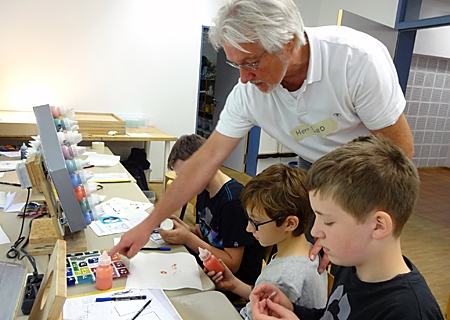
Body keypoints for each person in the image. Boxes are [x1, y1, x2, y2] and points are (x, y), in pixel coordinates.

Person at [110, 0, 414, 262]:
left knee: (356, 256)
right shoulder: (249, 92)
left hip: (364, 173)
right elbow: (204, 161)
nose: (243, 78)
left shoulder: (355, 59)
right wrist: (150, 222)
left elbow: (399, 157)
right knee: (312, 252)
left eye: (251, 63)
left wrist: (360, 220)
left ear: (288, 43)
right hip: (313, 169)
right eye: (235, 64)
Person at [249, 135, 444, 320]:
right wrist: (292, 310)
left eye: (328, 222)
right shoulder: (350, 265)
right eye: (315, 217)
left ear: (378, 226)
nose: (315, 232)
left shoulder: (409, 312)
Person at [207, 164, 328, 319]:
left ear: (290, 223)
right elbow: (267, 300)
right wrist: (235, 284)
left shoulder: (283, 277)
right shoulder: (308, 252)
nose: (248, 229)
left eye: (256, 223)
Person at [157, 134, 264, 300]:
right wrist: (184, 228)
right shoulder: (204, 190)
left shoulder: (233, 202)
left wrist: (187, 238)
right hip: (209, 266)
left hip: (230, 282)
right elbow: (206, 235)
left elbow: (232, 265)